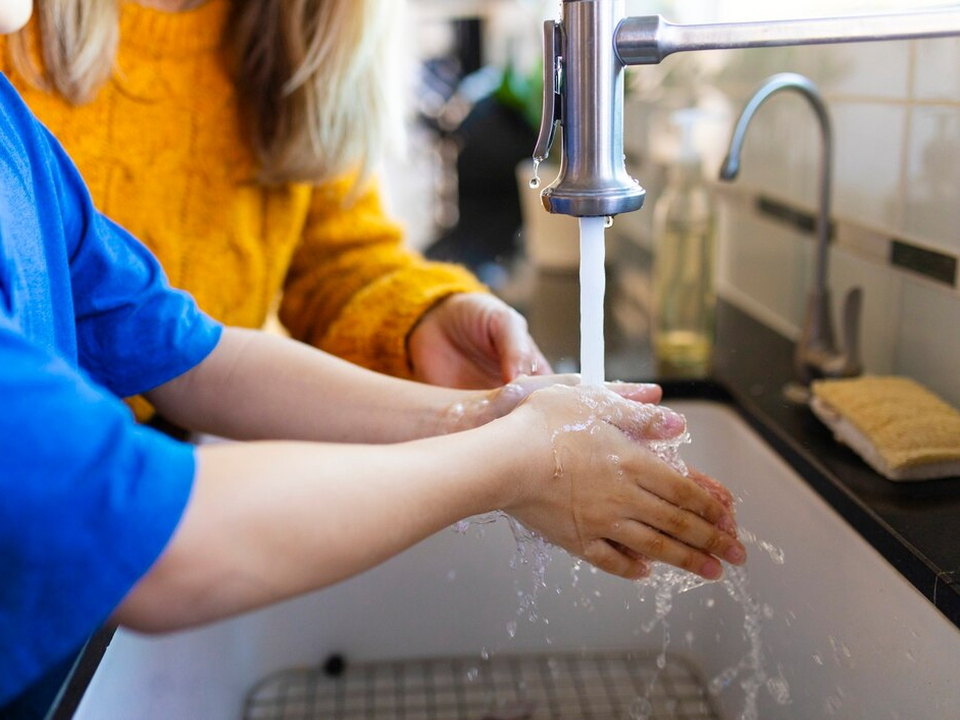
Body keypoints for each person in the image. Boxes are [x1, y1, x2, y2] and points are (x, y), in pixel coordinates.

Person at [0, 2, 745, 713]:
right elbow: (155, 543)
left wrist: (488, 417)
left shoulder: (20, 144)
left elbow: (194, 354)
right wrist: (514, 459)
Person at [0, 0, 552, 404]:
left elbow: (332, 264)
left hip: (177, 464)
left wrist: (427, 321)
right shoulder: (14, 23)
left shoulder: (307, 26)